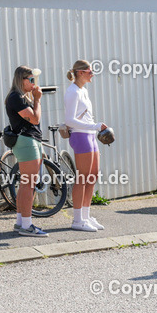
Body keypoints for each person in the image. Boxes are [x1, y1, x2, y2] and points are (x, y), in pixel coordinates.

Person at [64, 60, 108, 231]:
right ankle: (77, 220)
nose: (92, 74)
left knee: (92, 176)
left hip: (90, 135)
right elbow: (69, 120)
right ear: (80, 72)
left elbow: (86, 116)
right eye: (90, 71)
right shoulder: (72, 92)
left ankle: (86, 215)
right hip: (80, 135)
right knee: (82, 177)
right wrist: (95, 126)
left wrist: (94, 128)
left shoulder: (83, 90)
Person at [6, 66, 49, 237]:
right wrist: (37, 99)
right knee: (28, 184)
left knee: (27, 183)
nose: (33, 83)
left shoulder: (22, 97)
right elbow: (35, 119)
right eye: (31, 80)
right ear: (21, 80)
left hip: (31, 140)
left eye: (34, 80)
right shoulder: (16, 97)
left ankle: (20, 222)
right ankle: (26, 225)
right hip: (26, 141)